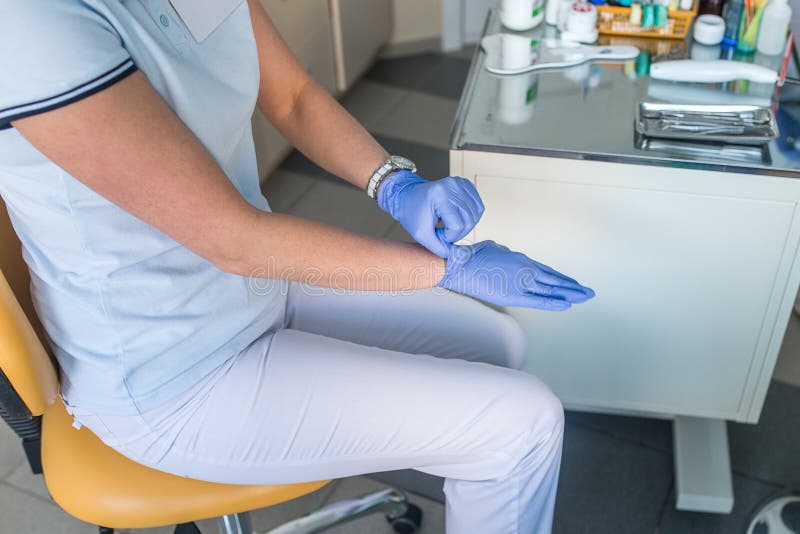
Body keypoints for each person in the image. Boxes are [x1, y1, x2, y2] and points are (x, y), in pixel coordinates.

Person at [0, 1, 594, 532]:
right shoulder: (30, 26)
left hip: (252, 294)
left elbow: (294, 97)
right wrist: (448, 268)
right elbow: (233, 239)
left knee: (497, 343)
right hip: (171, 375)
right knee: (523, 424)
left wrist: (394, 183)